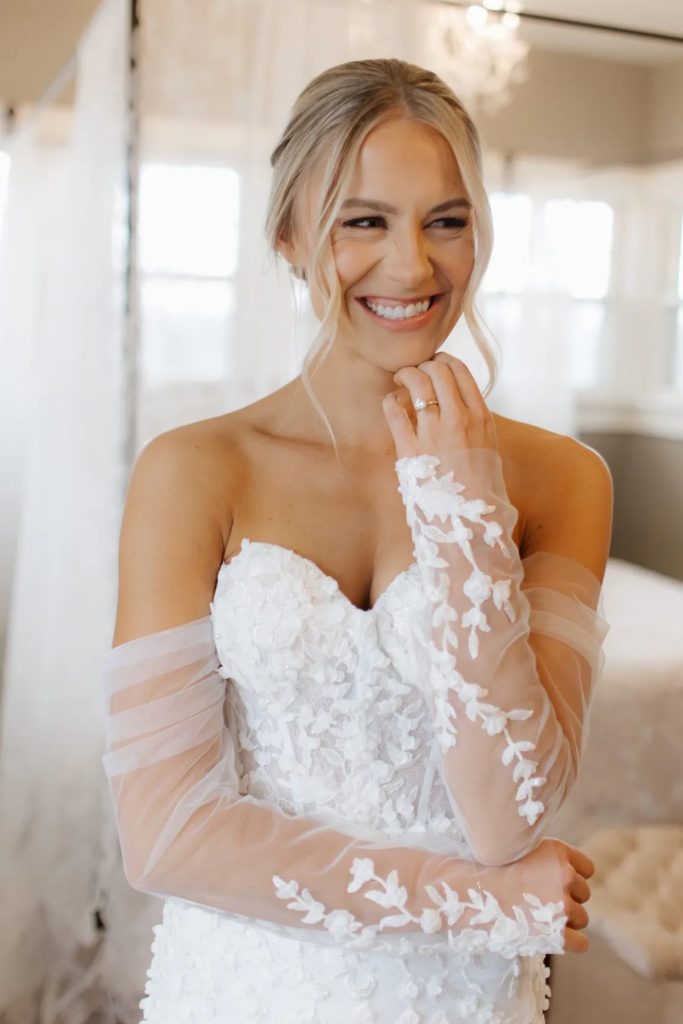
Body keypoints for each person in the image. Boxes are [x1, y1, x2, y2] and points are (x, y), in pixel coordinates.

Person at [102, 58, 612, 1024]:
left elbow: (507, 814)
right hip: (246, 988)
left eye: (447, 221)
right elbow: (164, 835)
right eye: (363, 221)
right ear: (290, 236)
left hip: (463, 1004)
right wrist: (479, 904)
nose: (412, 266)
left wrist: (461, 505)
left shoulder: (563, 480)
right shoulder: (194, 471)